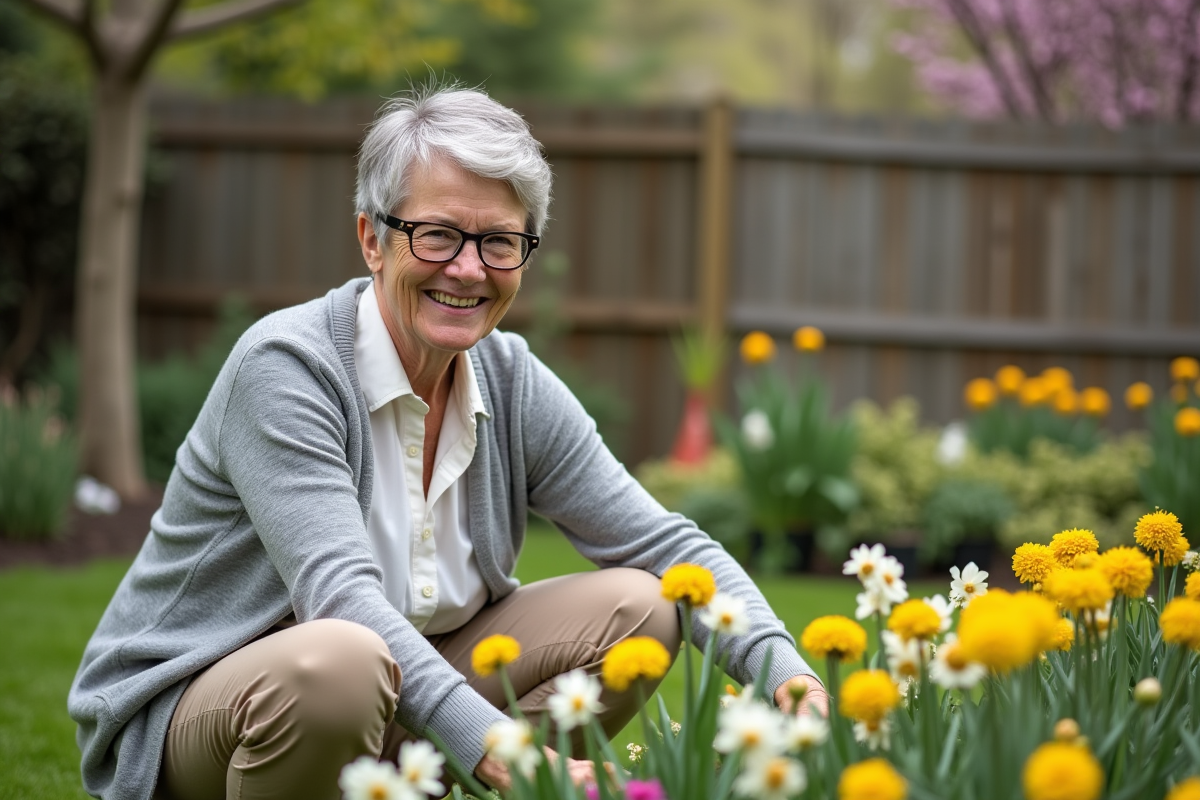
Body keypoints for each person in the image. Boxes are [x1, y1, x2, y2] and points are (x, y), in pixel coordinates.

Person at [68, 85, 827, 800]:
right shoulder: (288, 368)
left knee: (648, 604)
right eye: (437, 235)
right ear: (372, 238)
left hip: (395, 697)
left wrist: (790, 679)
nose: (468, 269)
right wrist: (504, 748)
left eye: (499, 242)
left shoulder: (510, 376)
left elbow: (664, 543)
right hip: (204, 709)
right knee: (341, 661)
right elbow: (341, 599)